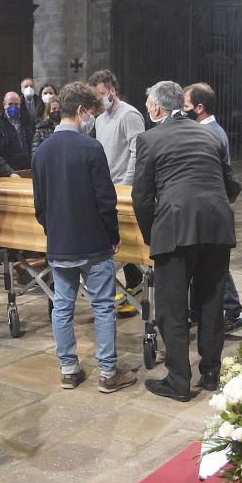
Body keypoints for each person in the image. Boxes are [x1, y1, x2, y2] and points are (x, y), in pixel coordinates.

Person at [132, 81, 235, 401]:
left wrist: (153, 235)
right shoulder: (209, 133)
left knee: (172, 308)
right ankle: (211, 372)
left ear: (158, 109)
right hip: (217, 227)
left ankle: (178, 381)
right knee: (210, 301)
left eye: (149, 105)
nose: (148, 110)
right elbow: (230, 185)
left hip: (175, 229)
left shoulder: (150, 138)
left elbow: (141, 198)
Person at [32, 82, 138, 393]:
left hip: (60, 242)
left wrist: (55, 231)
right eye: (90, 113)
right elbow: (106, 201)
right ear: (80, 112)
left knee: (62, 304)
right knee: (103, 305)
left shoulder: (42, 152)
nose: (92, 118)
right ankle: (107, 372)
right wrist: (113, 235)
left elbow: (40, 206)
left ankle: (68, 369)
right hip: (93, 242)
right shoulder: (91, 148)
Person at [183, 82, 242, 332]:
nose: (182, 110)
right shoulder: (208, 130)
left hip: (211, 206)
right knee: (207, 263)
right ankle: (201, 310)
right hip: (210, 205)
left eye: (186, 106)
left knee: (215, 265)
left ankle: (233, 310)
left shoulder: (210, 133)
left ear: (199, 107)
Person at [89, 68, 146, 309]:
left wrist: (127, 185)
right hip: (106, 186)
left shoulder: (129, 114)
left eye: (102, 93)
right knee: (112, 242)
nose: (99, 99)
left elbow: (137, 150)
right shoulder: (100, 118)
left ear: (112, 90)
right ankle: (117, 287)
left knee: (128, 240)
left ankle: (135, 285)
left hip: (124, 185)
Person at [0, 91, 35, 177]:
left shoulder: (28, 121)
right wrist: (9, 172)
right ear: (4, 104)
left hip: (28, 170)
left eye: (16, 104)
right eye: (10, 104)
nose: (13, 107)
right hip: (5, 172)